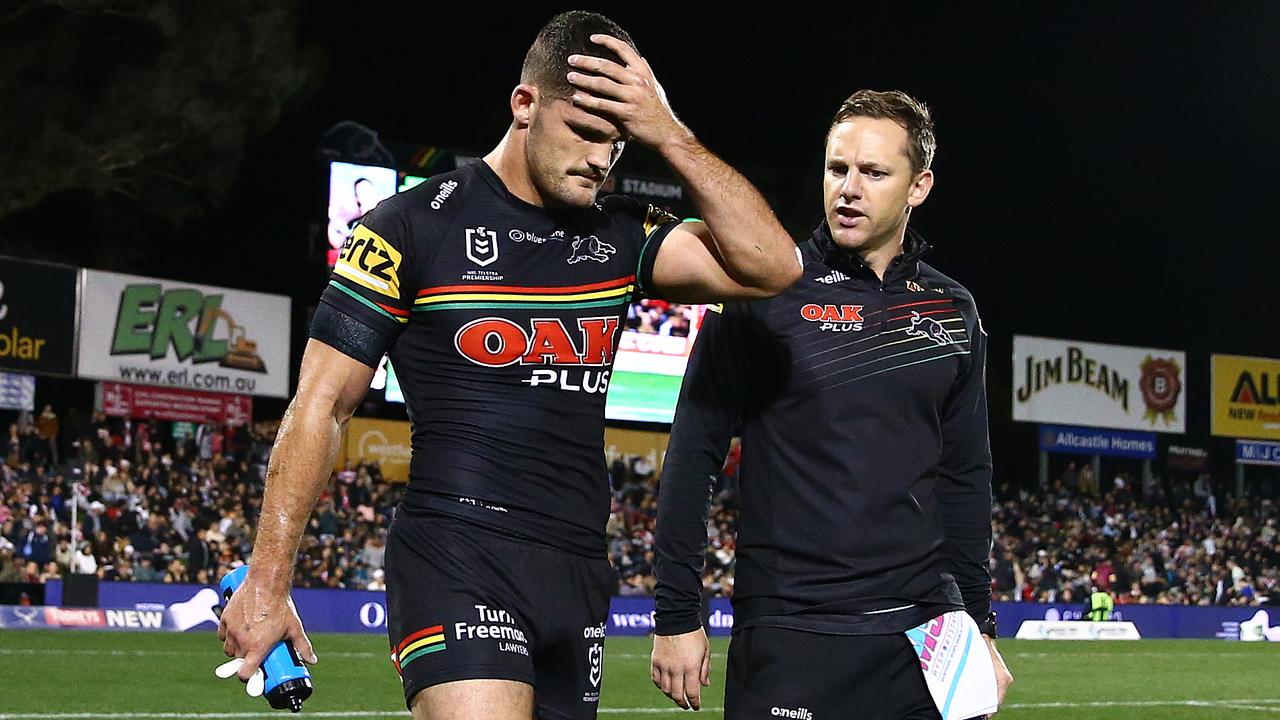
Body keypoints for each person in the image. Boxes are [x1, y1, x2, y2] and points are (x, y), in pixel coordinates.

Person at [219, 11, 800, 720]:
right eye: (585, 131)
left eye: (617, 143)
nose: (600, 158)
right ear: (524, 105)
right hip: (457, 554)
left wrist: (668, 132)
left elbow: (774, 267)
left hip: (581, 569)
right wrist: (269, 583)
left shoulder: (621, 234)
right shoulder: (407, 228)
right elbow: (321, 406)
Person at [650, 90, 1013, 718]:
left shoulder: (954, 310)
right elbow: (691, 458)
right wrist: (678, 613)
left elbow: (966, 476)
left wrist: (977, 622)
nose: (848, 188)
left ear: (918, 186)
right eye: (837, 168)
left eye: (873, 173)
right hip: (793, 633)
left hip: (928, 635)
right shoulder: (765, 291)